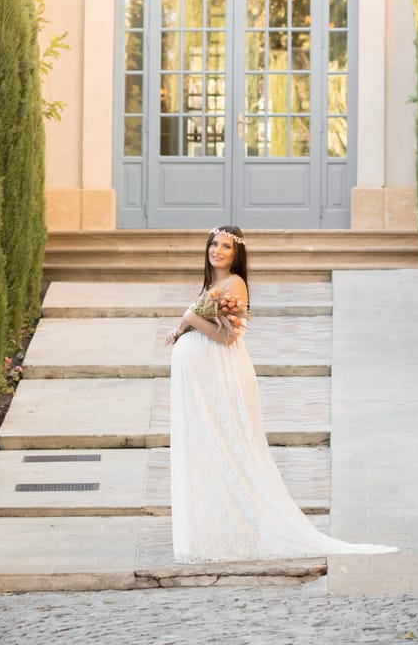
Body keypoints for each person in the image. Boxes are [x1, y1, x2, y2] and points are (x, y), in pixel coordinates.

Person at [165, 224, 398, 563]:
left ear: (236, 254)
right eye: (213, 244)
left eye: (225, 247)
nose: (217, 251)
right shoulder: (215, 284)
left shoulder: (235, 284)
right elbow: (204, 321)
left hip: (224, 377)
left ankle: (238, 534)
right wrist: (181, 329)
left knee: (230, 450)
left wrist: (190, 317)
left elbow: (227, 337)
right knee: (210, 450)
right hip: (206, 380)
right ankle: (217, 532)